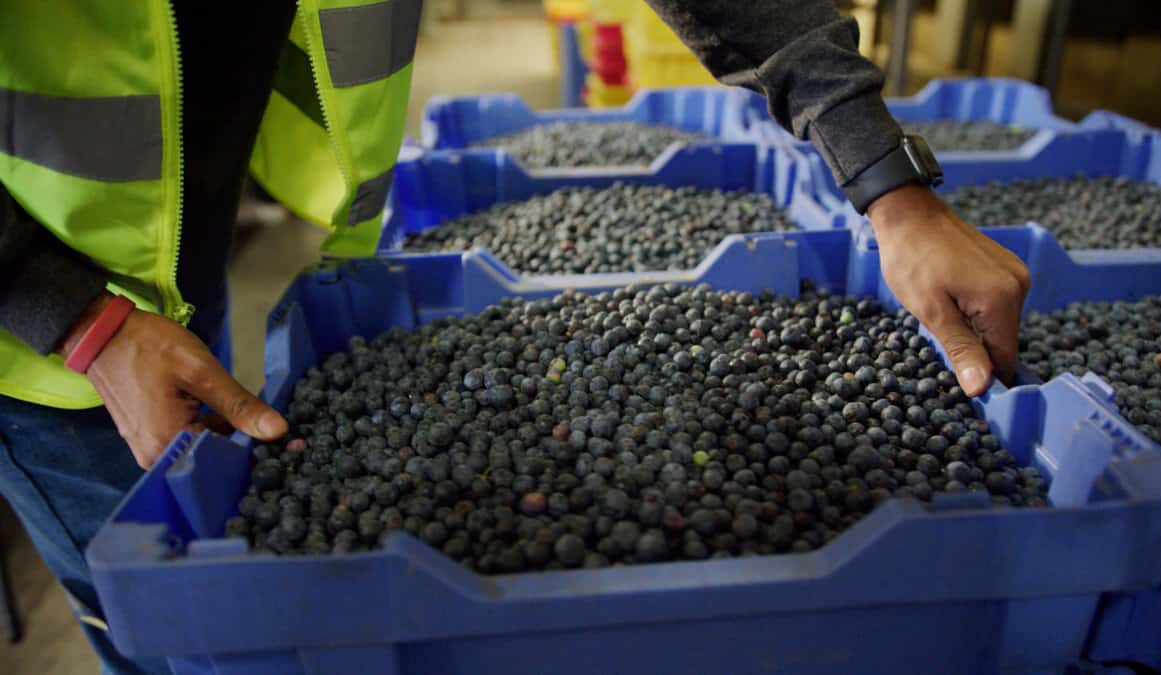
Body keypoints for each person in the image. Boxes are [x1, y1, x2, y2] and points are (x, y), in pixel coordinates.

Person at [0, 1, 1029, 672]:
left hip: (176, 252)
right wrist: (76, 320)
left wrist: (885, 181)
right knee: (186, 636)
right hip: (42, 331)